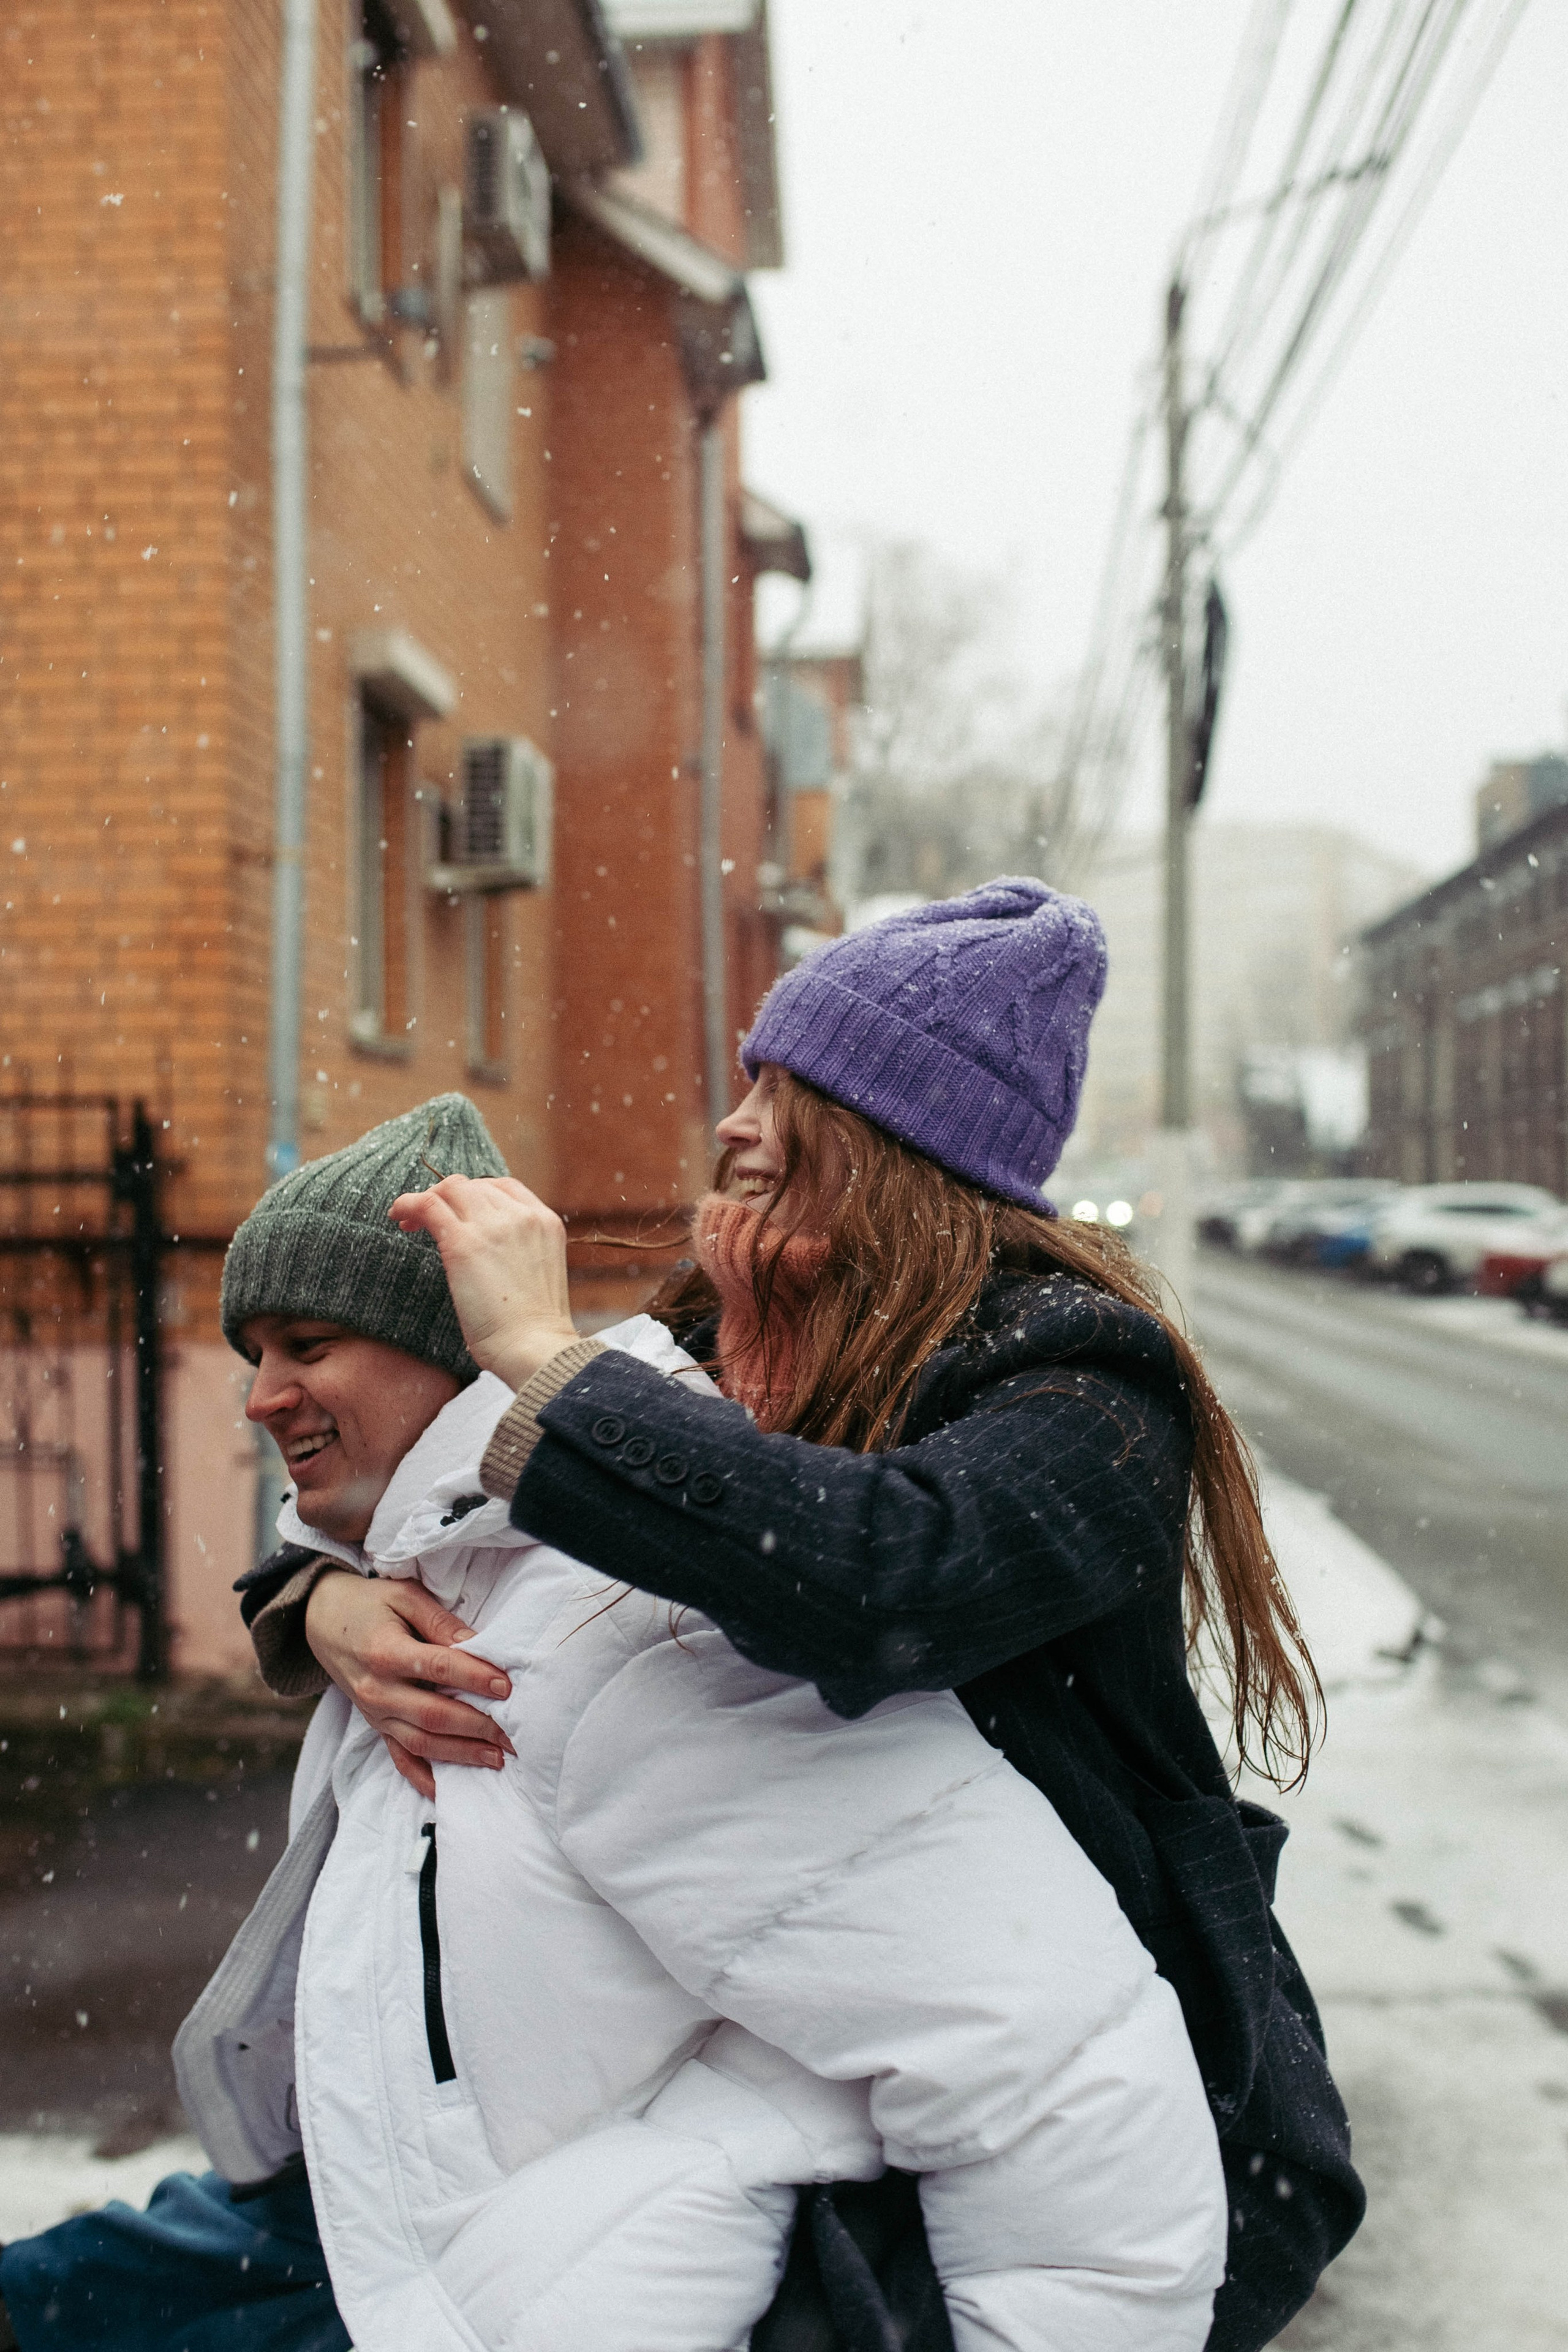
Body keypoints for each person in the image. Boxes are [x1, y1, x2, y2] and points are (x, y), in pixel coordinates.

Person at [262, 880, 1366, 2351]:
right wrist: (319, 1599)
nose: (732, 1129)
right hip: (791, 2047)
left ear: (888, 1142)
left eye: (783, 1091)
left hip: (1080, 2075)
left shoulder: (1083, 1385)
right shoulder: (732, 1328)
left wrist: (539, 1350)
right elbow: (463, 1492)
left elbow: (873, 1589)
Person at [0, 1091, 1228, 2352]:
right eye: (253, 1352)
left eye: (307, 1345)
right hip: (353, 2219)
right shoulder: (450, 1573)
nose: (262, 1398)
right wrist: (316, 1595)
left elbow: (1043, 2060)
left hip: (496, 2283)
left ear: (458, 1344)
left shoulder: (632, 1639)